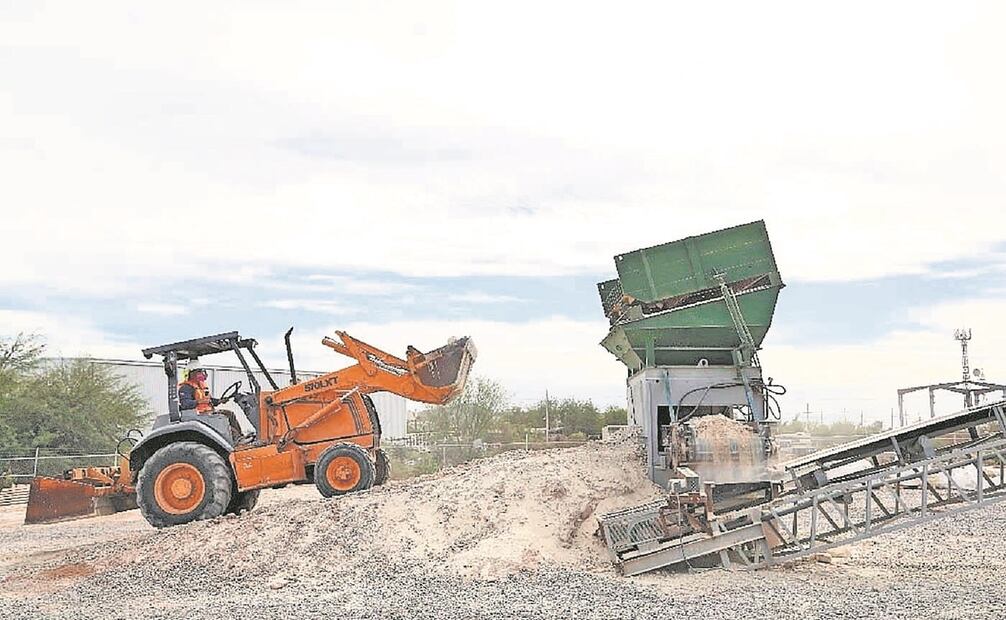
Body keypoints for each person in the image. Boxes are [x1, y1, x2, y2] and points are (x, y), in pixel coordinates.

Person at [178, 368, 256, 443]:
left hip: (208, 412)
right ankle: (236, 439)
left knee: (229, 413)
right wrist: (199, 401)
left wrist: (219, 401)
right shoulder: (185, 388)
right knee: (221, 418)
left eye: (201, 371)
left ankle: (240, 436)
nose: (202, 374)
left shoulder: (201, 386)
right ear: (191, 374)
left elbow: (210, 400)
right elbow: (185, 404)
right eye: (199, 372)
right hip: (198, 415)